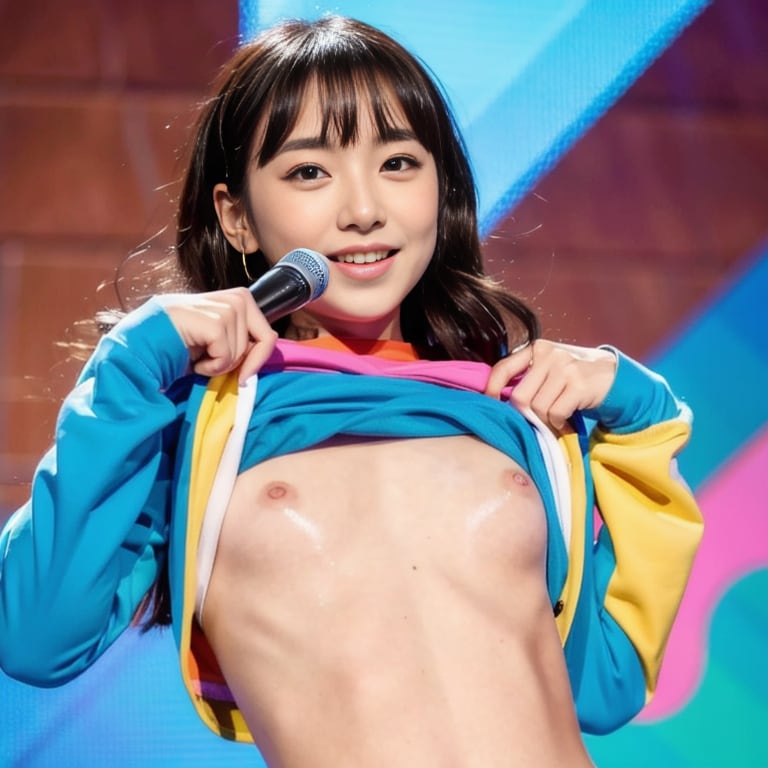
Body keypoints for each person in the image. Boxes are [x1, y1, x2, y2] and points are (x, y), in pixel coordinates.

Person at [0, 15, 703, 767]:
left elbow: (602, 686)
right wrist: (131, 362)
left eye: (398, 162)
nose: (364, 209)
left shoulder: (516, 408)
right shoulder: (196, 420)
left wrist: (641, 411)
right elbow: (37, 640)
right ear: (236, 218)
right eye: (309, 172)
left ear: (441, 187)